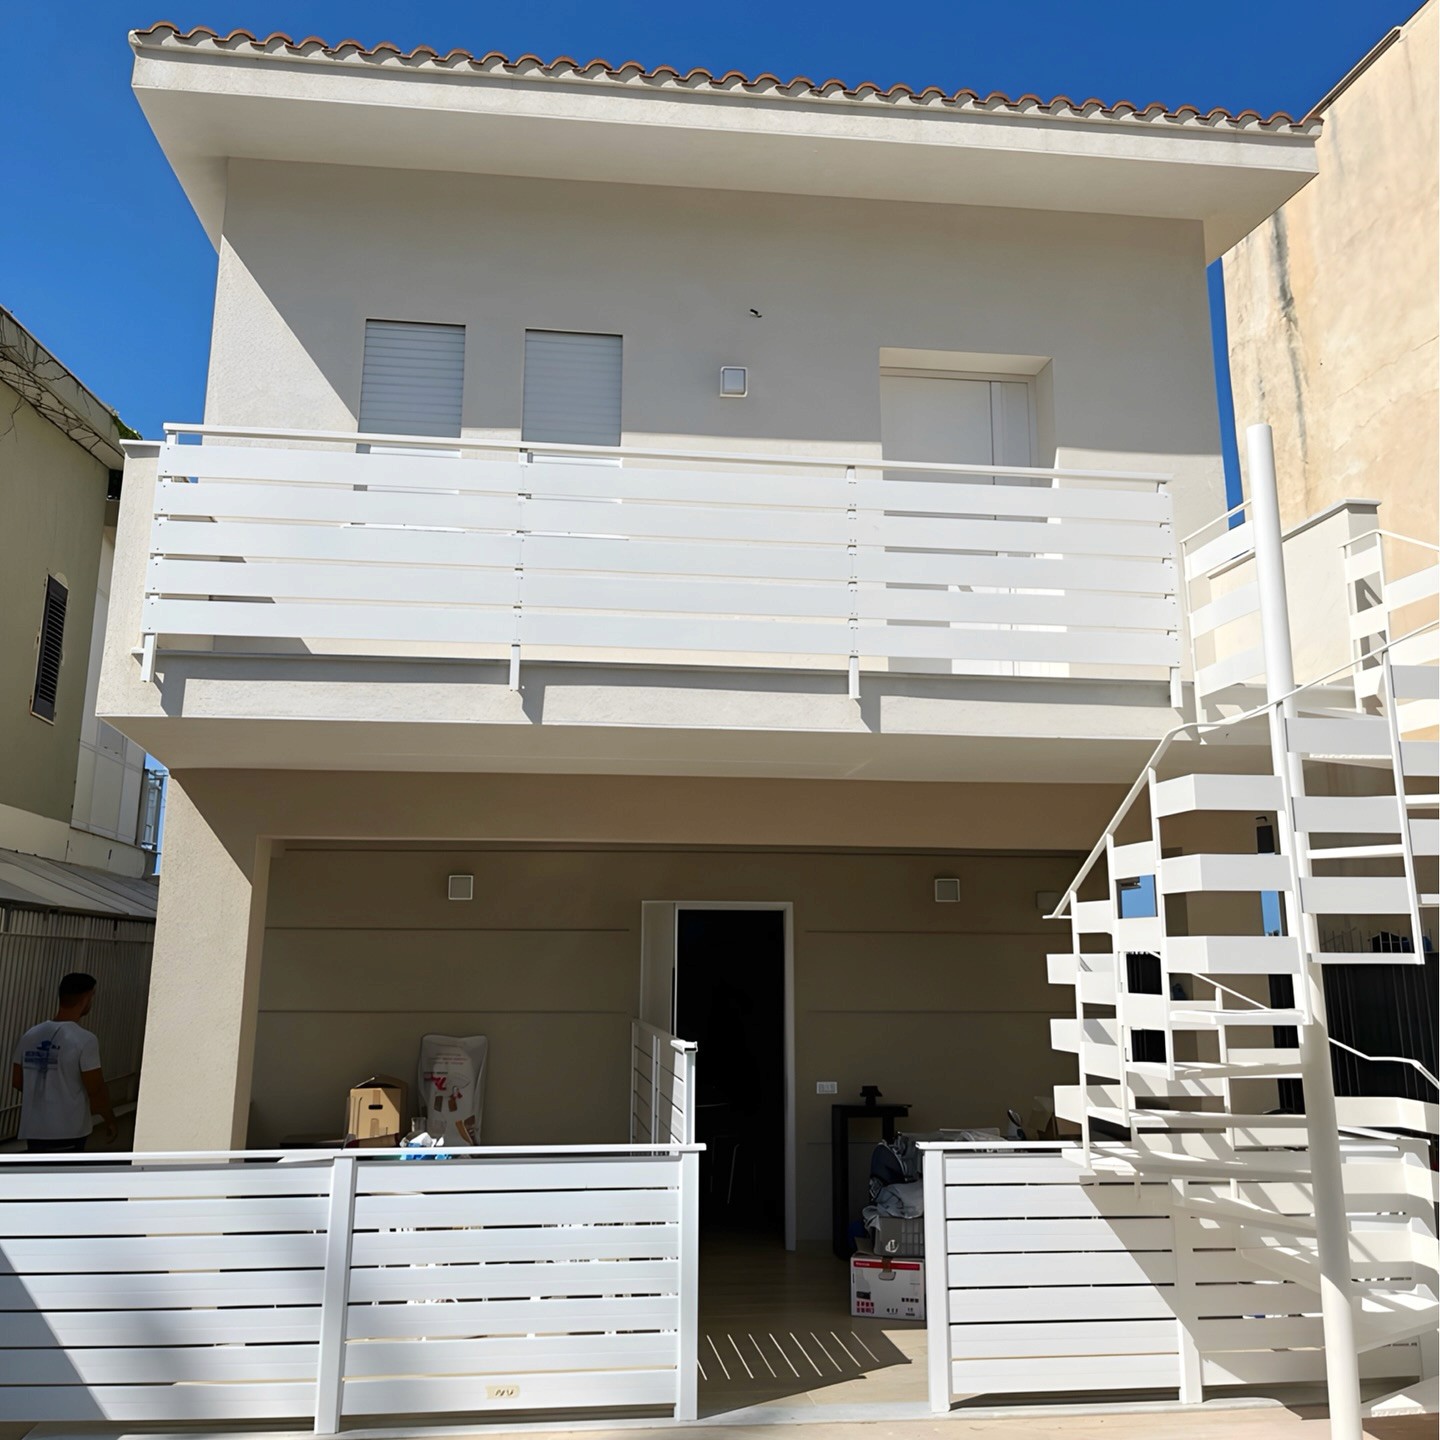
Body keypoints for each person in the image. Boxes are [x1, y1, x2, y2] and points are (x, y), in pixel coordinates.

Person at [11, 973, 117, 1152]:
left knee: (38, 1170)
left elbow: (17, 1080)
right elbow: (95, 1088)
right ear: (87, 997)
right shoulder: (85, 1040)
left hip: (33, 1128)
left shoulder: (30, 1035)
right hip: (69, 1129)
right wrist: (110, 1119)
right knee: (65, 1170)